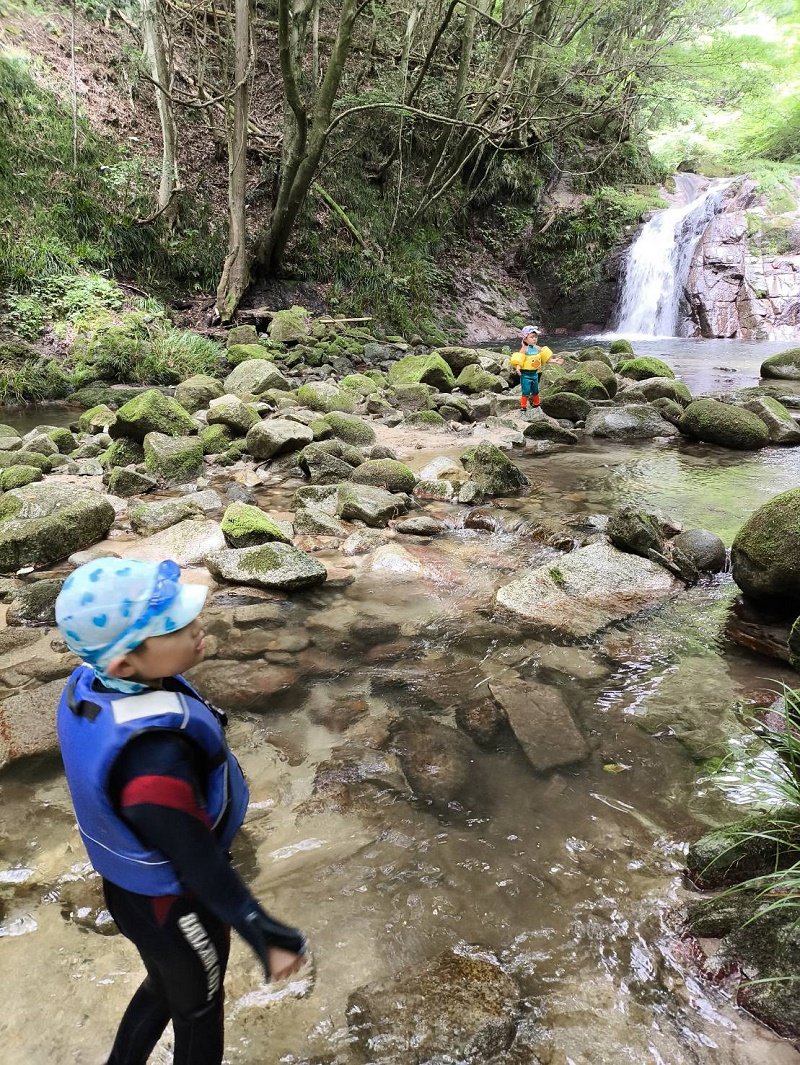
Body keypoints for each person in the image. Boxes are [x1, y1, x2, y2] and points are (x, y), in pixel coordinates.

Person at [55, 557, 307, 1065]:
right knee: (198, 1012)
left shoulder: (100, 683)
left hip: (132, 895)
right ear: (125, 662)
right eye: (174, 626)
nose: (197, 629)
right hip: (177, 907)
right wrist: (266, 934)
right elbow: (200, 866)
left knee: (168, 986)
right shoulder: (154, 763)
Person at [510, 324, 562, 414]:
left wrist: (554, 360)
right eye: (532, 337)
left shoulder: (537, 348)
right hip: (525, 374)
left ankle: (537, 404)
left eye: (536, 337)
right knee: (525, 391)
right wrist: (518, 368)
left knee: (535, 390)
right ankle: (523, 407)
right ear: (525, 339)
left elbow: (544, 358)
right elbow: (519, 360)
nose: (534, 339)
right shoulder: (524, 349)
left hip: (534, 374)